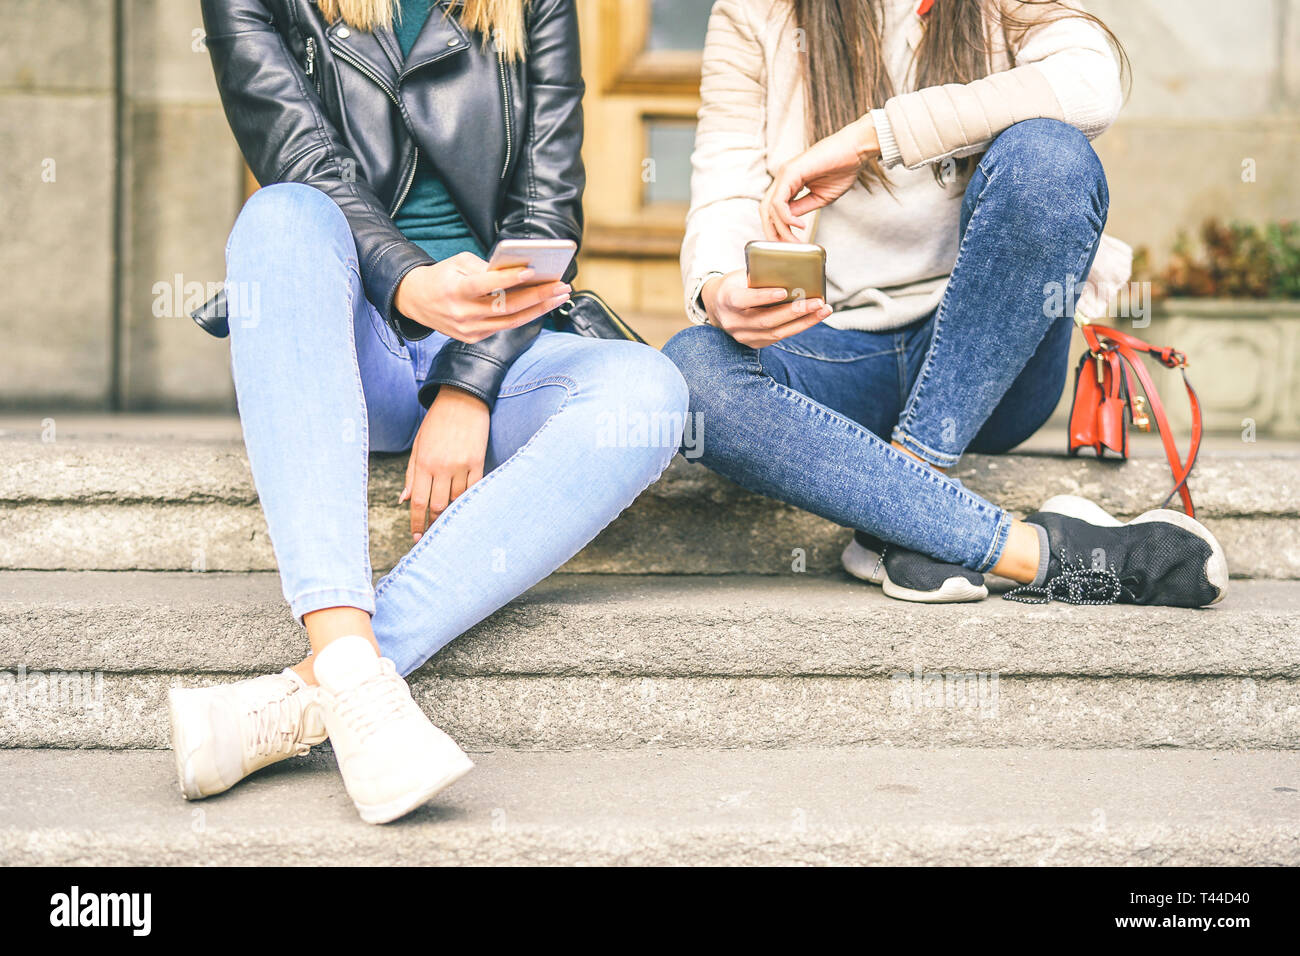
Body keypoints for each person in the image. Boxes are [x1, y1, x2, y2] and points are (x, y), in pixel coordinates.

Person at [167, 0, 688, 824]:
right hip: (348, 349)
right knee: (282, 215)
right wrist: (411, 280)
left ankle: (325, 687)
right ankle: (344, 648)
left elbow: (545, 214)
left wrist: (467, 384)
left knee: (651, 393)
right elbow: (301, 159)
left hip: (500, 348)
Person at [663, 0, 1227, 607]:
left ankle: (909, 485)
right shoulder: (756, 11)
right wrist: (719, 286)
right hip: (833, 354)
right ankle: (1041, 552)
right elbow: (724, 184)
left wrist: (871, 137)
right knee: (691, 373)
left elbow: (1089, 86)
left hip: (989, 363)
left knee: (1050, 160)